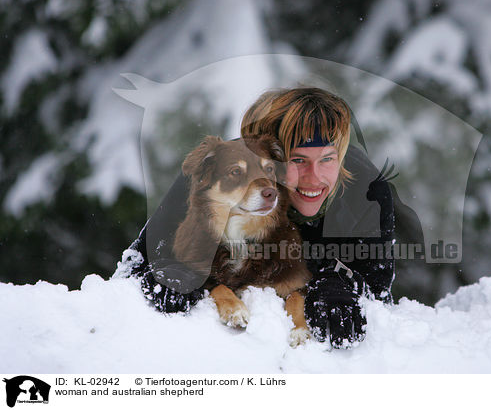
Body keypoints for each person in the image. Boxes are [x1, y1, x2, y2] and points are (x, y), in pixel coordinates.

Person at [119, 87, 424, 349]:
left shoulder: (366, 191)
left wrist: (337, 283)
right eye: (298, 161)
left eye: (328, 159)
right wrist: (168, 268)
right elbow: (137, 259)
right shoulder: (219, 172)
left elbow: (378, 286)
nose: (313, 178)